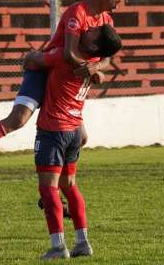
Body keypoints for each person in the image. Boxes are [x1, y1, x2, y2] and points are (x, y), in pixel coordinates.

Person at [0, 0, 123, 191]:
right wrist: (91, 71)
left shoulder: (106, 20)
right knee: (17, 120)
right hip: (45, 69)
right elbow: (68, 54)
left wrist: (96, 67)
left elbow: (106, 58)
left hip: (64, 78)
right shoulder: (78, 13)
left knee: (81, 137)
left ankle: (50, 194)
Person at [25, 23, 122, 259]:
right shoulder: (93, 63)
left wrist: (32, 57)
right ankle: (82, 243)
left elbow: (33, 60)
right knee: (69, 186)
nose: (87, 29)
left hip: (53, 129)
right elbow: (101, 68)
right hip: (75, 130)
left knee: (48, 189)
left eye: (92, 32)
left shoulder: (65, 57)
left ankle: (58, 247)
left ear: (93, 44)